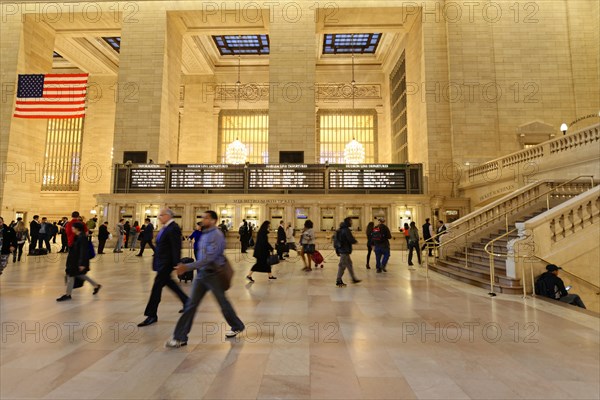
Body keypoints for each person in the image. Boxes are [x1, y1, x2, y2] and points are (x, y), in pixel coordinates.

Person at [166, 210, 245, 348]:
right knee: (191, 305)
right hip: (202, 274)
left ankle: (237, 325)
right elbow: (202, 257)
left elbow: (209, 258)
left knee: (223, 303)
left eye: (206, 218)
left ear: (213, 220)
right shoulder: (205, 233)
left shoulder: (217, 235)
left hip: (213, 274)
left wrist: (188, 267)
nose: (203, 220)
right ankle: (180, 337)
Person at [138, 209, 189, 327]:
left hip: (167, 264)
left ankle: (151, 315)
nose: (159, 217)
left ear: (167, 216)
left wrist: (177, 263)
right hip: (162, 262)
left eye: (161, 215)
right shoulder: (165, 227)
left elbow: (176, 247)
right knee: (171, 284)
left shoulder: (173, 228)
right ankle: (187, 302)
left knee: (156, 288)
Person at [56, 222, 102, 301]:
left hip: (77, 261)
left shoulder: (82, 237)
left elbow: (83, 251)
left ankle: (68, 294)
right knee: (78, 275)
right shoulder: (78, 236)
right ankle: (96, 285)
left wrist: (82, 264)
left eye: (73, 227)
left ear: (77, 228)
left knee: (71, 276)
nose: (72, 229)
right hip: (74, 260)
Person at [334, 217, 361, 287]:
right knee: (342, 265)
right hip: (344, 250)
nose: (352, 222)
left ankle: (353, 278)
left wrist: (337, 249)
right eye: (351, 221)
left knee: (349, 264)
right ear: (348, 222)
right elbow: (350, 239)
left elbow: (336, 240)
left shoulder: (340, 229)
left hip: (342, 249)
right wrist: (355, 241)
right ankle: (338, 280)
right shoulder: (346, 230)